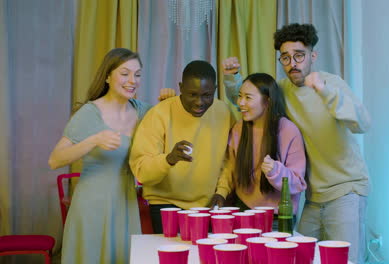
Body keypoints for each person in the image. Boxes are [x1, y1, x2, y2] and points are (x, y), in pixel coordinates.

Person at [222, 23, 371, 264]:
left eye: (299, 56)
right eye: (286, 58)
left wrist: (325, 92)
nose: (293, 63)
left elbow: (363, 123)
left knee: (345, 261)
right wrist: (232, 78)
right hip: (313, 196)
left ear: (313, 56)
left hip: (346, 190)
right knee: (298, 257)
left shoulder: (331, 84)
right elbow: (250, 99)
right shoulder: (283, 89)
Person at [48, 48, 152, 264]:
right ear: (107, 76)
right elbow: (55, 160)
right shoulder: (90, 113)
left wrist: (168, 101)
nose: (132, 80)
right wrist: (93, 140)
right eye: (125, 73)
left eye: (138, 74)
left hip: (125, 204)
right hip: (92, 205)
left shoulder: (143, 111)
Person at [129, 60, 234, 234]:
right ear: (181, 88)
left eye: (206, 95)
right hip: (164, 204)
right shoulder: (159, 114)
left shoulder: (224, 112)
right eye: (192, 94)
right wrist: (168, 159)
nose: (199, 102)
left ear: (215, 90)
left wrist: (222, 191)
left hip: (208, 204)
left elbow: (230, 160)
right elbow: (141, 171)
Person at [210, 73, 307, 222]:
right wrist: (221, 192)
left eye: (248, 98)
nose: (240, 103)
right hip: (243, 210)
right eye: (240, 96)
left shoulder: (288, 130)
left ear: (267, 101)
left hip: (278, 217)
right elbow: (230, 168)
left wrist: (276, 170)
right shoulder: (239, 128)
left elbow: (298, 183)